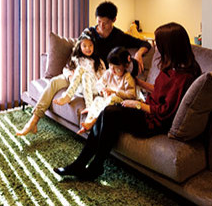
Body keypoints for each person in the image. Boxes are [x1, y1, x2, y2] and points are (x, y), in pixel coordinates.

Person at [53, 22, 201, 180]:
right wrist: (139, 83)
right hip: (148, 109)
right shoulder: (173, 66)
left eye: (159, 44)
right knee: (106, 113)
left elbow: (165, 111)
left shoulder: (184, 76)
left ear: (170, 46)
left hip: (154, 121)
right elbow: (160, 90)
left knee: (110, 113)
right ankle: (86, 165)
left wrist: (137, 104)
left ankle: (89, 166)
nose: (156, 48)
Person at [16, 1, 151, 136]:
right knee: (54, 82)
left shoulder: (119, 36)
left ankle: (84, 105)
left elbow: (145, 43)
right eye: (98, 22)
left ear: (114, 20)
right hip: (76, 73)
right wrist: (69, 75)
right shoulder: (89, 33)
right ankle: (34, 120)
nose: (101, 26)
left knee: (84, 77)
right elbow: (74, 57)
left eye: (105, 23)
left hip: (94, 76)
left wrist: (139, 53)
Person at [77, 46, 137, 134]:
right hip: (108, 100)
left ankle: (93, 121)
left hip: (121, 103)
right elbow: (99, 83)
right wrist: (102, 90)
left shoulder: (127, 78)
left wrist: (115, 92)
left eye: (116, 68)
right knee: (97, 100)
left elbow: (132, 95)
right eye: (110, 65)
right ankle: (87, 123)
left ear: (125, 66)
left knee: (112, 98)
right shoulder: (109, 72)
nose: (112, 69)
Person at [52, 32, 105, 108]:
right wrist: (70, 75)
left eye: (90, 45)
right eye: (84, 46)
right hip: (80, 87)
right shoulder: (76, 59)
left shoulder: (98, 62)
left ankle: (70, 96)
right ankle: (70, 96)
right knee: (83, 73)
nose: (88, 48)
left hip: (95, 86)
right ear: (80, 46)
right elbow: (66, 69)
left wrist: (102, 87)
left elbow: (104, 77)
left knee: (84, 73)